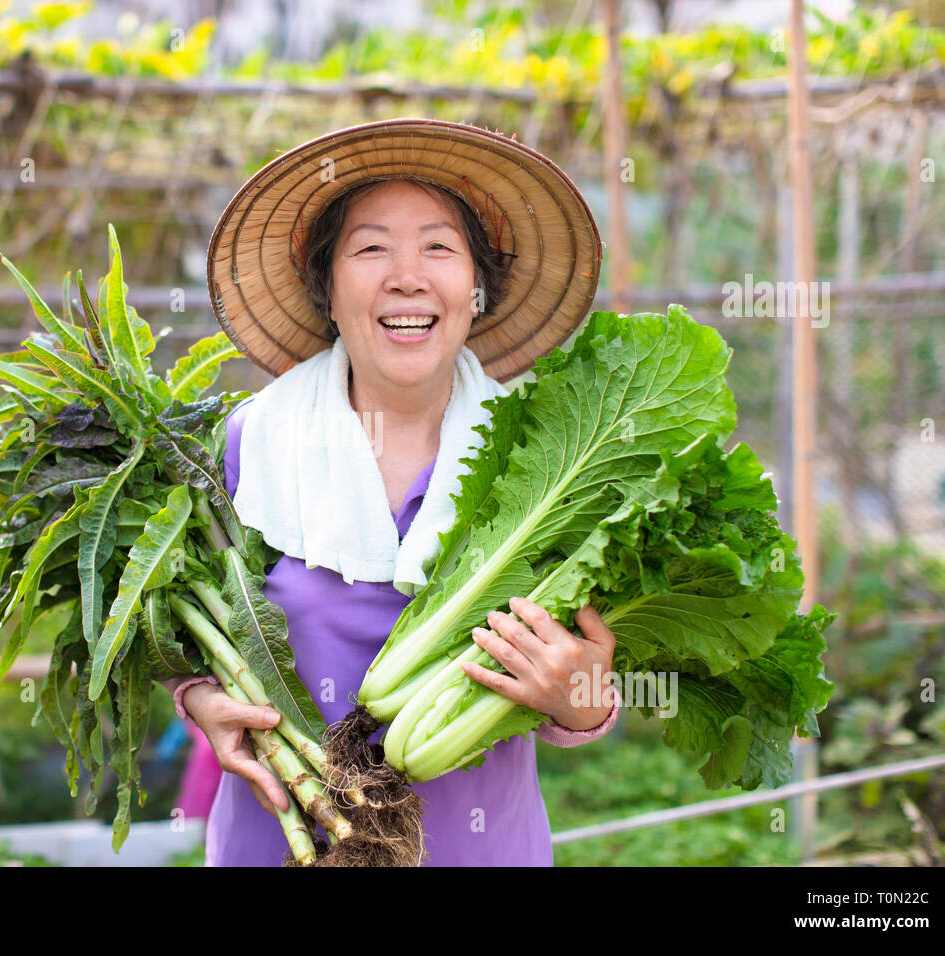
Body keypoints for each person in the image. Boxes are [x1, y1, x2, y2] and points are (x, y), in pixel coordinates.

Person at [165, 118, 619, 866]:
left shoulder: (553, 453)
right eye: (371, 248)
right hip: (281, 841)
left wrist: (584, 703)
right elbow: (183, 631)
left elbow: (592, 671)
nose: (407, 276)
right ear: (328, 291)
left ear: (476, 291)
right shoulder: (250, 444)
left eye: (439, 248)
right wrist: (198, 702)